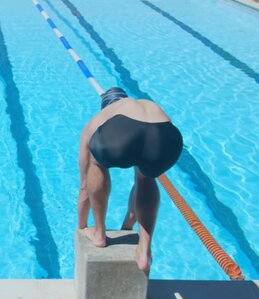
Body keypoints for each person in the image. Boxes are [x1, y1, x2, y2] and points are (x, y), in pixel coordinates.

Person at [77, 87, 183, 272]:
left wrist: (82, 226)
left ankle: (99, 233)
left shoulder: (98, 121)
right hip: (167, 137)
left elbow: (85, 188)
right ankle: (144, 250)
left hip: (128, 134)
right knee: (146, 178)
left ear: (106, 107)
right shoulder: (145, 106)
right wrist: (127, 227)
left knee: (95, 164)